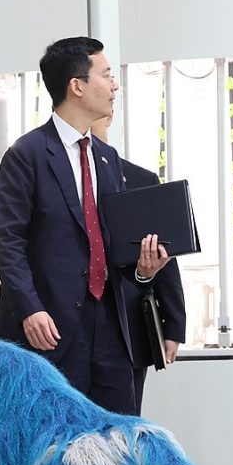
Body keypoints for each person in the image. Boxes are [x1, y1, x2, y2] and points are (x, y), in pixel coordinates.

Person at [0, 36, 204, 465]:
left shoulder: (110, 163)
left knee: (122, 458)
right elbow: (7, 242)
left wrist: (145, 270)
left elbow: (119, 251)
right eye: (107, 74)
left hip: (114, 335)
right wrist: (29, 307)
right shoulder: (28, 156)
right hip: (51, 336)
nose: (115, 83)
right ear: (76, 86)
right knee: (61, 461)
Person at [89, 116, 186, 413]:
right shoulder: (51, 177)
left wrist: (173, 325)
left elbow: (165, 258)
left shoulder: (140, 180)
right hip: (71, 325)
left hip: (126, 325)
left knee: (122, 428)